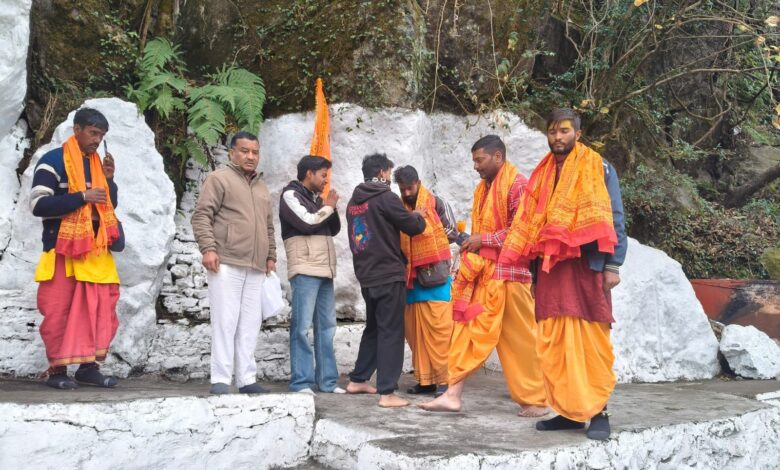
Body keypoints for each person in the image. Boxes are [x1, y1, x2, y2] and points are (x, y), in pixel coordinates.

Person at [497, 108, 627, 440]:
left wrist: (613, 265)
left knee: (590, 342)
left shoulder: (599, 167)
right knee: (553, 343)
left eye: (564, 131)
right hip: (550, 269)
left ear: (577, 134)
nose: (558, 137)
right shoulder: (541, 174)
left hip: (587, 266)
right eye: (553, 131)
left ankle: (598, 412)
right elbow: (531, 225)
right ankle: (569, 412)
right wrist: (533, 274)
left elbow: (614, 216)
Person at [420, 135, 548, 417]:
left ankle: (535, 401)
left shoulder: (518, 185)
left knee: (520, 341)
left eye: (480, 160)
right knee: (467, 331)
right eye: (474, 161)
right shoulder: (484, 189)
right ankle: (452, 394)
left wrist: (483, 239)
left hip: (511, 276)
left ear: (498, 157)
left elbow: (523, 229)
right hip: (485, 274)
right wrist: (475, 243)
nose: (475, 166)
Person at [30, 107, 125, 389]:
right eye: (93, 133)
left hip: (96, 252)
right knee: (58, 310)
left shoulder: (97, 165)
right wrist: (83, 196)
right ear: (77, 130)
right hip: (62, 249)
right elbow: (38, 205)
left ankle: (88, 368)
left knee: (99, 311)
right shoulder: (53, 161)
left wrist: (109, 181)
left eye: (101, 135)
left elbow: (108, 206)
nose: (97, 140)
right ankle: (57, 371)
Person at [192, 131, 276, 395]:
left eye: (255, 152)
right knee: (225, 321)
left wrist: (271, 256)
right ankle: (220, 378)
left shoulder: (261, 187)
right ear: (232, 153)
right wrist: (208, 249)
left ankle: (246, 379)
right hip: (226, 261)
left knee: (250, 324)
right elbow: (202, 216)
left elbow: (268, 226)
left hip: (256, 266)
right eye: (244, 151)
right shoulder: (219, 179)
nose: (251, 156)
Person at [344, 153, 426, 407]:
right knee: (391, 330)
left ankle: (358, 379)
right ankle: (387, 393)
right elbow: (412, 226)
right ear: (381, 173)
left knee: (374, 327)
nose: (390, 178)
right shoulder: (385, 197)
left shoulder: (353, 202)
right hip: (388, 273)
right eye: (389, 173)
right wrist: (418, 215)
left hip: (366, 275)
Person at [279, 155, 345, 394]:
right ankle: (301, 382)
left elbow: (333, 229)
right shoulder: (290, 195)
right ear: (309, 173)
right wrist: (328, 207)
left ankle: (327, 382)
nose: (326, 180)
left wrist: (329, 207)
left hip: (324, 269)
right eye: (323, 175)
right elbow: (307, 223)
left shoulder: (316, 199)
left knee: (327, 327)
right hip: (305, 268)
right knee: (302, 327)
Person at [394, 165, 461, 396]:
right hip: (411, 278)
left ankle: (445, 380)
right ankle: (426, 381)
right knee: (416, 334)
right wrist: (412, 218)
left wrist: (424, 227)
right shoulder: (398, 207)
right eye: (402, 189)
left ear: (418, 183)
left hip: (436, 277)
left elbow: (452, 231)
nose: (406, 193)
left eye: (410, 188)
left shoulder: (437, 203)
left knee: (440, 332)